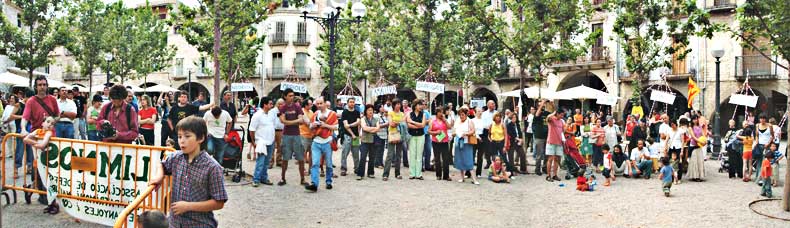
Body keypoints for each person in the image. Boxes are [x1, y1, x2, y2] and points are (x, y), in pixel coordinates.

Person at [149, 116, 227, 227]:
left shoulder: (213, 167)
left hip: (200, 223)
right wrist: (159, 176)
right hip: (175, 222)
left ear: (201, 138)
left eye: (187, 136)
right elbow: (161, 164)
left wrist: (188, 206)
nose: (182, 141)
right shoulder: (176, 157)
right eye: (180, 136)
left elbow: (219, 202)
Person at [22, 76, 60, 206]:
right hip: (37, 135)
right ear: (36, 87)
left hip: (51, 136)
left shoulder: (52, 99)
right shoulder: (31, 101)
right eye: (40, 85)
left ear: (47, 85)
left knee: (51, 167)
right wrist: (23, 129)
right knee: (38, 166)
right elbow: (25, 117)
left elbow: (57, 114)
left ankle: (43, 193)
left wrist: (52, 121)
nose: (42, 87)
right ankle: (39, 192)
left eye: (44, 84)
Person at [23, 116, 58, 213]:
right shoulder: (38, 131)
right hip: (38, 160)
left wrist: (35, 143)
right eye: (48, 122)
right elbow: (26, 139)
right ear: (42, 123)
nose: (50, 125)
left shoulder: (49, 133)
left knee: (49, 181)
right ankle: (31, 190)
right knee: (39, 179)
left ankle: (53, 204)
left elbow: (43, 145)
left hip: (48, 162)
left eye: (52, 124)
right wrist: (36, 143)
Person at [305, 97, 338, 192]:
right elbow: (310, 126)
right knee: (315, 163)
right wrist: (313, 125)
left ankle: (328, 181)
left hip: (327, 142)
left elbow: (336, 127)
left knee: (328, 164)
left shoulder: (332, 114)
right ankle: (314, 184)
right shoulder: (315, 114)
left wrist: (325, 125)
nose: (319, 105)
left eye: (321, 103)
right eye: (317, 104)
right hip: (316, 142)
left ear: (325, 103)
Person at [277, 89, 307, 185]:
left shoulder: (297, 106)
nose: (292, 97)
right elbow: (283, 121)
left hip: (296, 135)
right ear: (285, 96)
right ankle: (283, 178)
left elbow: (301, 120)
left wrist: (288, 122)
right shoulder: (283, 108)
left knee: (301, 158)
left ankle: (302, 179)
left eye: (293, 95)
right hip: (286, 135)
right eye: (290, 95)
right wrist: (296, 121)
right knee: (285, 158)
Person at [250, 97, 276, 187]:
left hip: (270, 141)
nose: (272, 105)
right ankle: (256, 179)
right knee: (260, 162)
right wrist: (253, 142)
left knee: (267, 162)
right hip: (261, 142)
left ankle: (264, 178)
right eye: (270, 104)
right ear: (264, 105)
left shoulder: (271, 114)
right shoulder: (257, 115)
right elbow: (251, 130)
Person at [453, 108, 479, 185]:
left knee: (469, 159)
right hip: (458, 141)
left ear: (466, 114)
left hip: (467, 142)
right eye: (460, 115)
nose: (461, 116)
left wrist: (466, 133)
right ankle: (462, 177)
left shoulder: (469, 121)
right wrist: (455, 134)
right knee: (460, 159)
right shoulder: (457, 121)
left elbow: (473, 130)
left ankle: (474, 179)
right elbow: (454, 130)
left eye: (462, 115)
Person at [382, 99, 405, 181]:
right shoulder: (390, 113)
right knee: (390, 155)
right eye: (397, 104)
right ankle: (385, 174)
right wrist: (399, 122)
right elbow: (391, 124)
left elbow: (404, 123)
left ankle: (397, 173)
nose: (398, 105)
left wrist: (396, 122)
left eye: (399, 104)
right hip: (392, 135)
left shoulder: (402, 113)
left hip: (400, 135)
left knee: (399, 155)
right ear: (393, 105)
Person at [428, 106, 451, 181]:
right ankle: (438, 175)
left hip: (444, 141)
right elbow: (429, 131)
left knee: (446, 159)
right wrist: (436, 132)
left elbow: (449, 127)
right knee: (437, 159)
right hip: (436, 142)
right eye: (440, 112)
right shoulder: (433, 121)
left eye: (442, 112)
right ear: (437, 113)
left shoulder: (444, 120)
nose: (441, 114)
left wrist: (445, 120)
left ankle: (446, 175)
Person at [357, 105, 379, 180]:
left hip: (373, 141)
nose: (370, 112)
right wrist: (373, 129)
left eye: (372, 110)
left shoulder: (376, 119)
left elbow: (378, 128)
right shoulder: (363, 119)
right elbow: (364, 128)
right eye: (369, 110)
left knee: (372, 157)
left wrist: (370, 129)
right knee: (363, 157)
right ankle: (360, 174)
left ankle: (371, 173)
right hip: (365, 140)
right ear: (366, 111)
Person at [340, 97, 360, 177]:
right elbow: (345, 126)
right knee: (345, 153)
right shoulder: (344, 112)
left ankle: (357, 168)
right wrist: (352, 134)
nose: (352, 103)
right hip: (347, 135)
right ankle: (343, 169)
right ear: (347, 103)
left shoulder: (357, 112)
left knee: (356, 153)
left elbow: (358, 122)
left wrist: (350, 125)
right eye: (350, 102)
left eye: (353, 102)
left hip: (356, 136)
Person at [545, 107, 566, 182]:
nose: (562, 116)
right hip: (551, 142)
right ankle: (548, 175)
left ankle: (554, 175)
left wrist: (563, 140)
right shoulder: (552, 119)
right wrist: (554, 113)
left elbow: (563, 131)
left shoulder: (561, 121)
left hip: (559, 142)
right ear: (557, 114)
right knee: (550, 159)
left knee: (557, 159)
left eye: (563, 115)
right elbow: (547, 118)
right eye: (561, 115)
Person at [753, 114, 773, 186]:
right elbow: (757, 135)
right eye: (761, 118)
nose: (762, 120)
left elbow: (772, 136)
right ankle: (758, 178)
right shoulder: (757, 125)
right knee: (759, 162)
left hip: (766, 146)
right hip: (759, 145)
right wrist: (756, 142)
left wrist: (768, 143)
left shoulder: (769, 126)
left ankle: (764, 178)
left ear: (766, 119)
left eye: (763, 118)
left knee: (765, 162)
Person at [686, 116, 707, 182]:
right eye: (694, 119)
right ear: (692, 120)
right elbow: (693, 137)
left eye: (696, 119)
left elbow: (703, 135)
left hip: (699, 146)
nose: (695, 120)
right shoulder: (690, 128)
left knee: (700, 160)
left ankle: (699, 175)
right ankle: (694, 176)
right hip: (694, 145)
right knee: (694, 160)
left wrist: (705, 141)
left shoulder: (700, 127)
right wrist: (699, 141)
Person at [532, 101, 549, 176]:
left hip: (547, 136)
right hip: (539, 136)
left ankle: (544, 168)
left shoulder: (546, 113)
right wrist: (542, 103)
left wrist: (551, 104)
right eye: (540, 105)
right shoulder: (537, 113)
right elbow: (537, 114)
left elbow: (554, 113)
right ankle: (537, 169)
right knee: (539, 154)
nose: (542, 106)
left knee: (546, 154)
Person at [299, 98, 315, 172]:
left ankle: (310, 169)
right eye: (310, 104)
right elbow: (308, 122)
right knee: (303, 153)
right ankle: (303, 169)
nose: (312, 105)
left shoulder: (311, 111)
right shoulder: (302, 111)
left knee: (312, 153)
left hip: (311, 135)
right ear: (305, 105)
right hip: (303, 135)